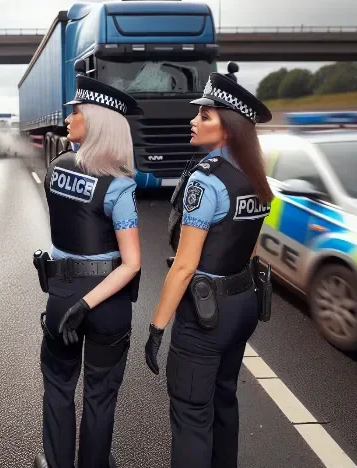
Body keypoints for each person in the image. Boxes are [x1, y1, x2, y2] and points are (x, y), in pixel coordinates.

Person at [143, 72, 274, 468]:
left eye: (205, 115)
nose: (194, 120)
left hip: (206, 316)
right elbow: (249, 247)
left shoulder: (208, 180)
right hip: (242, 305)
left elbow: (184, 267)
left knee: (190, 414)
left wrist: (156, 328)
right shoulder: (256, 178)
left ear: (228, 127)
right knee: (223, 401)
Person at [32, 75, 143, 468]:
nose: (68, 116)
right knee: (100, 394)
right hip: (108, 303)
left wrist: (75, 303)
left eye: (76, 111)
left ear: (95, 121)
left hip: (62, 293)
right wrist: (90, 302)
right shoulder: (120, 184)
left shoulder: (56, 168)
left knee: (59, 387)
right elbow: (132, 263)